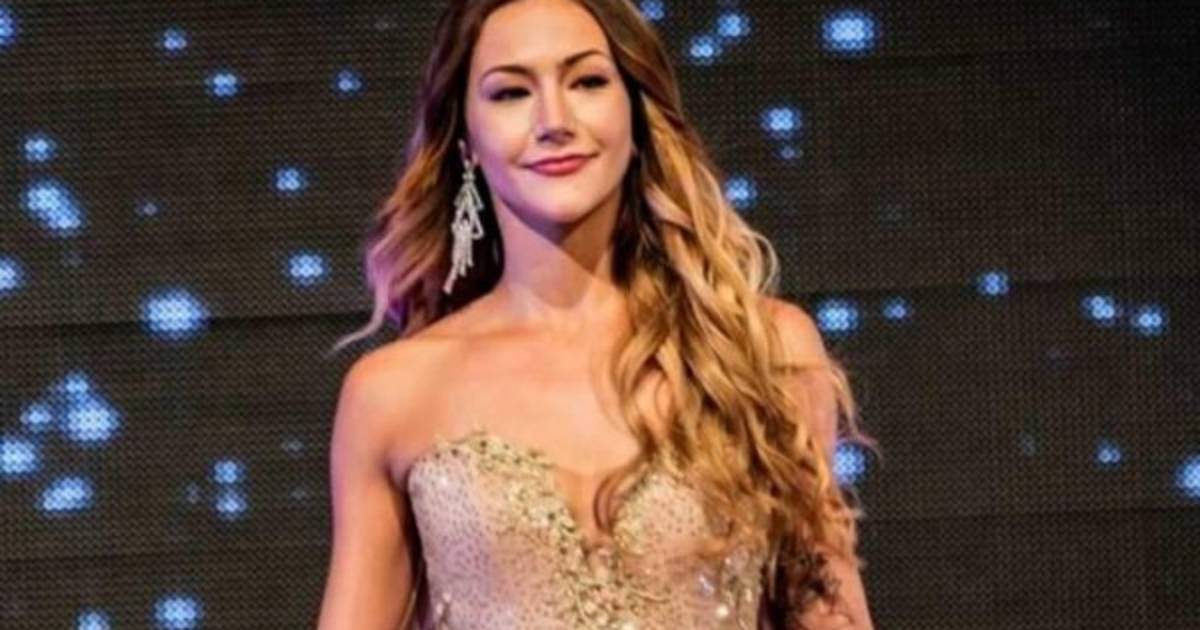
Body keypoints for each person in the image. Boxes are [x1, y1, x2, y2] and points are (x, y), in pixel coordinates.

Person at [317, 0, 878, 628]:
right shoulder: (394, 393)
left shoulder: (759, 350)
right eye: (511, 93)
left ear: (635, 112)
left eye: (586, 82)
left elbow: (829, 611)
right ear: (465, 140)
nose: (554, 121)